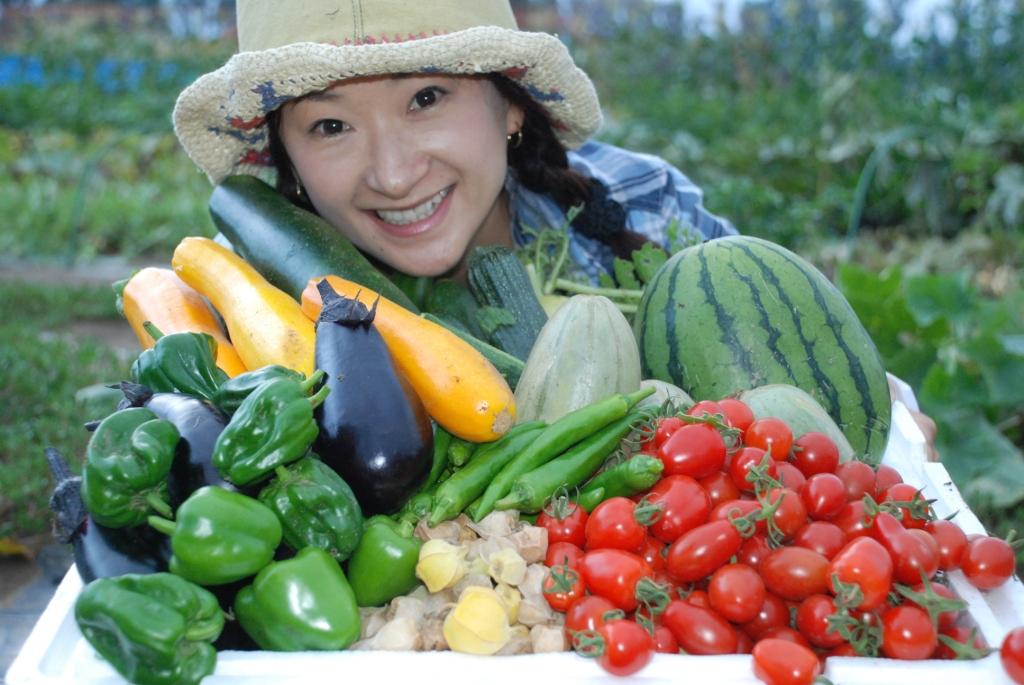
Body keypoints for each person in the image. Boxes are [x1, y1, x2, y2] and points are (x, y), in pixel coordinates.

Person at [171, 0, 939, 460]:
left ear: (511, 107)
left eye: (428, 98)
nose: (395, 173)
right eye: (331, 124)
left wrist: (892, 410)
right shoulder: (256, 307)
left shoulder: (642, 205)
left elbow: (793, 361)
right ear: (288, 160)